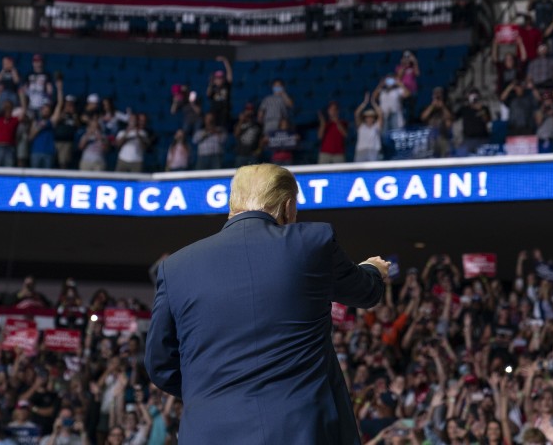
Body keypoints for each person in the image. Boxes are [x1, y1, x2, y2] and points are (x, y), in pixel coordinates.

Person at [145, 164, 388, 445]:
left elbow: (160, 365)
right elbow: (364, 292)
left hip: (209, 433)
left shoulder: (175, 267)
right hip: (300, 432)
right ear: (288, 207)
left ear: (232, 204)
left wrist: (211, 392)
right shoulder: (312, 243)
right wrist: (373, 269)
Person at [454, 89, 490, 155]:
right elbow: (453, 117)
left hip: (482, 139)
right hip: (468, 139)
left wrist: (480, 110)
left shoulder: (484, 108)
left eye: (475, 96)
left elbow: (487, 120)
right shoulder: (464, 109)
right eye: (472, 96)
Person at [353, 93, 383, 163]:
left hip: (373, 150)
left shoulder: (376, 126)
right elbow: (356, 113)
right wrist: (364, 103)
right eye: (367, 117)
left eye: (371, 117)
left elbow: (380, 114)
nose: (369, 118)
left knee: (374, 170)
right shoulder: (361, 126)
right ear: (365, 118)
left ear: (373, 118)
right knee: (358, 170)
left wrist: (374, 103)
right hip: (361, 151)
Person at [205, 56, 233, 128]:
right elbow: (208, 94)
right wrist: (211, 84)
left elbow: (229, 73)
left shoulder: (226, 86)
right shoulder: (213, 88)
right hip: (215, 110)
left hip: (224, 110)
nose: (219, 80)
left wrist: (225, 61)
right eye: (217, 78)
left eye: (221, 78)